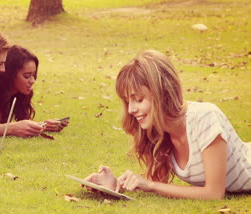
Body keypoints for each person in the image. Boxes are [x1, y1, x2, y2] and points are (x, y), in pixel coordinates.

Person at [85, 50, 250, 199]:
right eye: (128, 101)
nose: (130, 109)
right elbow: (156, 183)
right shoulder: (157, 130)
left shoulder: (205, 117)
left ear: (162, 93)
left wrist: (151, 186)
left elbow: (214, 193)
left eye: (139, 99)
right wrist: (114, 185)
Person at [0, 45, 69, 132]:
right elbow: (0, 124)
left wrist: (45, 125)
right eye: (26, 76)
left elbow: (22, 123)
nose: (32, 81)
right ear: (10, 74)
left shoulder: (20, 93)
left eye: (33, 75)